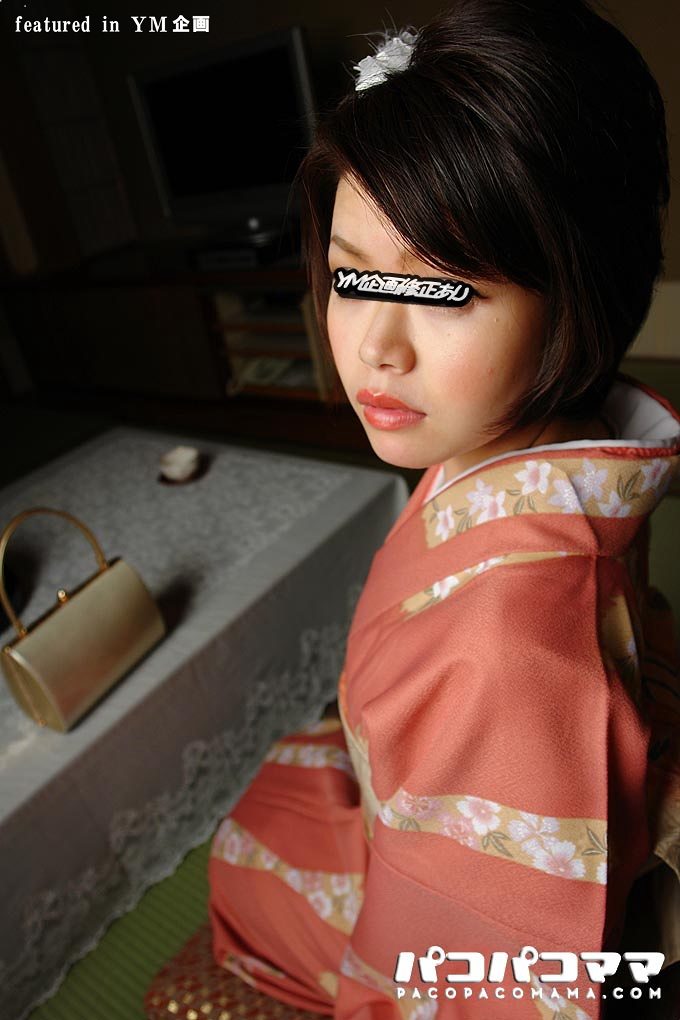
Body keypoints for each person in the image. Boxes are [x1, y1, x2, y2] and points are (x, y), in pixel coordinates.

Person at [207, 2, 680, 1017]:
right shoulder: (541, 435)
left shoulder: (511, 651)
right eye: (350, 274)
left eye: (445, 289)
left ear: (575, 295)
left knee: (239, 869)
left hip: (471, 891)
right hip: (450, 779)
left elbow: (471, 969)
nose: (375, 347)